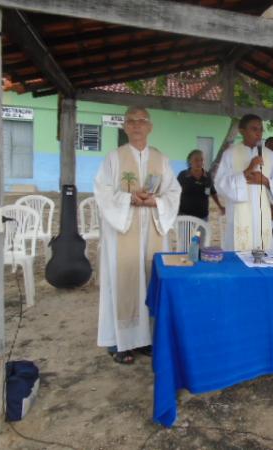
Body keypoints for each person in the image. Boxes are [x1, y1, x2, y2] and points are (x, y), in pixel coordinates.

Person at [94, 106, 181, 364]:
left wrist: (155, 203)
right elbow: (102, 192)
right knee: (122, 281)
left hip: (152, 227)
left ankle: (145, 340)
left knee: (149, 279)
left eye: (141, 121)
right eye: (130, 121)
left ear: (150, 127)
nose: (136, 125)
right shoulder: (114, 157)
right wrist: (130, 198)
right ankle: (119, 342)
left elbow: (173, 192)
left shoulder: (161, 159)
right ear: (124, 127)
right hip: (123, 229)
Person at [215, 115, 273, 251]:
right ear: (242, 131)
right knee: (238, 252)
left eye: (261, 129)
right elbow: (220, 184)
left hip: (262, 215)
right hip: (238, 214)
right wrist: (246, 171)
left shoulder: (270, 155)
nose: (259, 133)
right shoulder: (230, 154)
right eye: (254, 129)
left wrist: (265, 181)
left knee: (262, 252)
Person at [177, 149, 225, 221]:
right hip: (185, 216)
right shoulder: (183, 175)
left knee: (200, 233)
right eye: (196, 160)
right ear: (190, 161)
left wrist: (220, 206)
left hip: (202, 217)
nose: (199, 162)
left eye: (202, 160)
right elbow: (174, 191)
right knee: (186, 233)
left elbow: (212, 192)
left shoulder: (207, 176)